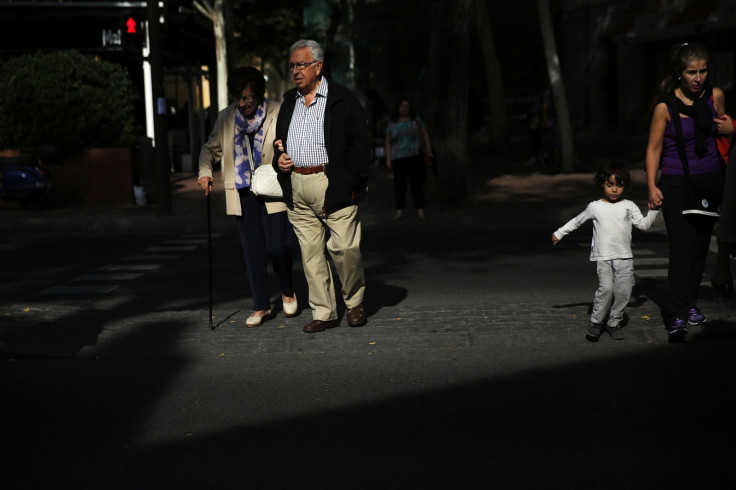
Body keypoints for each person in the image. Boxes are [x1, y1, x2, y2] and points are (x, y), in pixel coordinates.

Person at [273, 39, 370, 333]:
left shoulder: (342, 98)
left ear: (318, 66)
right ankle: (324, 312)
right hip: (298, 185)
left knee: (344, 249)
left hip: (333, 183)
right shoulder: (289, 100)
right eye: (292, 65)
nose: (295, 71)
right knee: (311, 255)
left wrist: (351, 179)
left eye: (301, 64)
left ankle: (353, 303)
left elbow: (359, 144)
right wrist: (281, 159)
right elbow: (280, 141)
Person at [645, 42, 734, 342]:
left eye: (703, 71)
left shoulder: (716, 96)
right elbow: (653, 148)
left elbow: (725, 131)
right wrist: (651, 185)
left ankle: (691, 304)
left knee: (698, 248)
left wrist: (731, 128)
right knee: (681, 249)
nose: (698, 78)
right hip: (676, 183)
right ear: (679, 74)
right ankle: (677, 314)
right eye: (692, 72)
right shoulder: (664, 107)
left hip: (710, 181)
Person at [197, 66, 297, 327]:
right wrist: (205, 172)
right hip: (242, 192)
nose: (245, 103)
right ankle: (261, 305)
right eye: (240, 98)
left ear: (260, 94)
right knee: (253, 251)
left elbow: (290, 142)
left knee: (279, 246)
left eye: (249, 98)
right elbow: (210, 150)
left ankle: (287, 288)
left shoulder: (277, 110)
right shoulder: (226, 118)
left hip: (273, 187)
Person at [552, 161, 660, 342]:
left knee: (624, 291)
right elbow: (577, 221)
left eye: (619, 185)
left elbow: (644, 224)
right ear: (602, 184)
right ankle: (595, 322)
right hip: (604, 257)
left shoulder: (629, 206)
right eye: (610, 185)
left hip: (625, 257)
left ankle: (613, 321)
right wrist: (559, 233)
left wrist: (654, 209)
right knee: (606, 289)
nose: (614, 190)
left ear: (624, 186)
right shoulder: (595, 207)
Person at [385, 98, 432, 221]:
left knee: (417, 184)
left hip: (414, 156)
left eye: (406, 105)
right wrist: (388, 159)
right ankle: (399, 211)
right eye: (402, 106)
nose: (404, 108)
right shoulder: (392, 123)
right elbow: (388, 141)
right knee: (399, 185)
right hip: (398, 158)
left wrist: (428, 148)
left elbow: (424, 133)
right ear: (398, 108)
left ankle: (420, 210)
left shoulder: (416, 120)